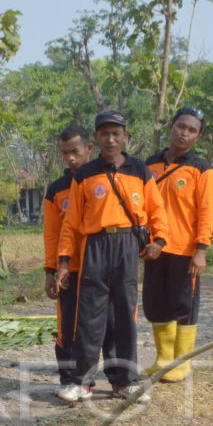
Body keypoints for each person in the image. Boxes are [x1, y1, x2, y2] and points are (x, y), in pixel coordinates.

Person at [55, 109, 167, 402]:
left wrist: (160, 241)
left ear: (125, 136)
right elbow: (71, 223)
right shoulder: (85, 175)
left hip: (128, 246)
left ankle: (125, 381)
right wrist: (64, 261)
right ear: (96, 138)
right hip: (95, 246)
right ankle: (81, 381)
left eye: (116, 133)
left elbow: (157, 211)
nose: (111, 139)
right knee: (90, 315)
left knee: (125, 315)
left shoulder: (140, 171)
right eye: (104, 133)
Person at [43, 125, 119, 392]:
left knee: (110, 325)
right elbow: (52, 234)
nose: (70, 158)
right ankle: (70, 381)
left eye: (75, 151)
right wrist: (51, 270)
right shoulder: (56, 190)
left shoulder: (105, 179)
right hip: (70, 270)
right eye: (65, 153)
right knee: (68, 329)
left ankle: (118, 380)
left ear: (89, 148)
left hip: (102, 267)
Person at [144, 106, 213, 382]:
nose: (184, 134)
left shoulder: (201, 168)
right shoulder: (150, 164)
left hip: (185, 251)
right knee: (156, 303)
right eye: (181, 127)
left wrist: (201, 250)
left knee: (183, 305)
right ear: (171, 127)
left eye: (192, 131)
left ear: (197, 137)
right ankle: (163, 360)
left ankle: (182, 363)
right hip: (155, 249)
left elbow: (206, 211)